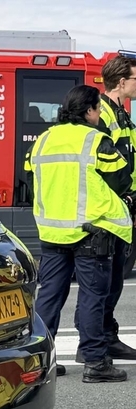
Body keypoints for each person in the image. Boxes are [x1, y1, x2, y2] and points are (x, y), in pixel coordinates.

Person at [26, 85, 133, 382]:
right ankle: (96, 363)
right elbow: (122, 178)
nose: (99, 114)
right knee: (92, 297)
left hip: (51, 232)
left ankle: (39, 363)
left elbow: (30, 177)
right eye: (98, 109)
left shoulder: (43, 140)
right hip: (90, 229)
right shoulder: (95, 140)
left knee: (49, 297)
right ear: (88, 111)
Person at [82, 55, 136, 363]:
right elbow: (101, 167)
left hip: (124, 207)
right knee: (106, 281)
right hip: (109, 210)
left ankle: (107, 336)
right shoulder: (104, 116)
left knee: (115, 280)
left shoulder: (121, 114)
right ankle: (101, 342)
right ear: (121, 82)